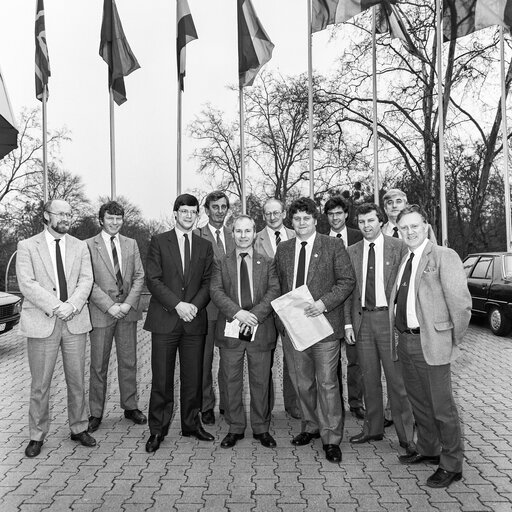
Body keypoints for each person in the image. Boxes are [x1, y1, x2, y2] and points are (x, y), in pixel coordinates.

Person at [390, 204, 471, 488]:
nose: (410, 231)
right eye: (404, 228)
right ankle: (429, 449)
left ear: (426, 226)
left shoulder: (443, 256)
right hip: (407, 342)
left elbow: (461, 305)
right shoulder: (405, 259)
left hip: (433, 343)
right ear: (398, 231)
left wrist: (450, 339)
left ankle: (452, 464)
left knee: (442, 408)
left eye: (415, 226)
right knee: (420, 404)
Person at [274, 197, 356, 464]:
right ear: (291, 220)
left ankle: (331, 438)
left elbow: (347, 281)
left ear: (315, 219)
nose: (301, 223)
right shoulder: (284, 249)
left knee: (327, 383)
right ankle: (311, 426)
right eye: (296, 218)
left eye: (306, 218)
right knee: (302, 383)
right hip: (294, 328)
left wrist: (323, 303)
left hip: (324, 327)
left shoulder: (333, 245)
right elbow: (277, 285)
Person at [16, 199, 95, 458]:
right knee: (40, 384)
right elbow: (27, 284)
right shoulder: (27, 246)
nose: (65, 217)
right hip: (42, 321)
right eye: (60, 213)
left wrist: (71, 305)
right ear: (46, 216)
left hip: (75, 320)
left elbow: (87, 280)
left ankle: (79, 428)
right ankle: (36, 435)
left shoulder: (80, 246)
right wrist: (56, 306)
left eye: (68, 214)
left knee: (77, 380)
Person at [144, 193, 214, 453]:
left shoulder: (204, 247)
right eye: (183, 211)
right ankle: (157, 430)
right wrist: (178, 305)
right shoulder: (159, 241)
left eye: (193, 211)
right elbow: (154, 280)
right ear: (175, 213)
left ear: (198, 215)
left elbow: (208, 282)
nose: (188, 215)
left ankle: (191, 424)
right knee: (161, 379)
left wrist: (193, 306)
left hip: (194, 321)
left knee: (193, 378)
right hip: (165, 320)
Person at [344, 203, 415, 453]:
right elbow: (347, 290)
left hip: (389, 320)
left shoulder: (398, 247)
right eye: (361, 222)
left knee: (397, 381)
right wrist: (347, 322)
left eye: (371, 221)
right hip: (363, 321)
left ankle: (407, 437)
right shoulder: (351, 251)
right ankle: (372, 429)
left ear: (380, 221)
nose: (366, 226)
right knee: (369, 378)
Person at [210, 216, 280, 448]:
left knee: (261, 381)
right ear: (233, 233)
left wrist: (255, 315)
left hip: (260, 329)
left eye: (247, 231)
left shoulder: (267, 262)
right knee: (231, 380)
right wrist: (238, 313)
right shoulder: (221, 262)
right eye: (238, 231)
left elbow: (274, 291)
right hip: (231, 328)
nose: (242, 235)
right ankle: (235, 427)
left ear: (254, 233)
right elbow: (216, 291)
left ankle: (261, 428)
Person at [86, 200, 146, 433]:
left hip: (127, 313)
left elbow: (140, 276)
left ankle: (130, 407)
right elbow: (86, 280)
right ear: (101, 220)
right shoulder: (88, 245)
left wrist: (127, 304)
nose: (114, 222)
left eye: (118, 218)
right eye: (110, 218)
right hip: (102, 313)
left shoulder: (131, 244)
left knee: (128, 362)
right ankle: (95, 413)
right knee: (98, 365)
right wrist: (110, 306)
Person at [381, 188, 436, 428]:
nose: (394, 205)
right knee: (398, 375)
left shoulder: (428, 241)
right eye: (389, 202)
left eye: (399, 201)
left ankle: (424, 428)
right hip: (393, 319)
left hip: (422, 325)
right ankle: (397, 415)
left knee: (427, 389)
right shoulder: (380, 233)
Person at [254, 198, 300, 419]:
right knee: (265, 360)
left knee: (294, 358)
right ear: (264, 216)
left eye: (276, 213)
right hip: (266, 308)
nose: (272, 217)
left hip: (293, 308)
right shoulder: (255, 240)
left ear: (284, 214)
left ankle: (294, 406)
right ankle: (266, 407)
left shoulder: (296, 234)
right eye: (268, 213)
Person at [194, 191, 235, 426]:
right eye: (215, 207)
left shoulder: (235, 235)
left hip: (230, 310)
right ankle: (206, 405)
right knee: (205, 360)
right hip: (207, 309)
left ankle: (228, 404)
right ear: (207, 210)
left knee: (229, 360)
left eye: (223, 207)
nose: (219, 211)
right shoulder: (198, 236)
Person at [323, 196, 365, 421]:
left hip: (356, 305)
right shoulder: (320, 239)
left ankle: (356, 402)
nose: (335, 217)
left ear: (346, 214)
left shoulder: (359, 236)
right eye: (330, 214)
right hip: (331, 306)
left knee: (355, 358)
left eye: (339, 213)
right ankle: (335, 402)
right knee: (331, 361)